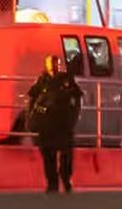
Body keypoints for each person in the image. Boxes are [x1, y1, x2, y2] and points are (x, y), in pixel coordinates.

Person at [26, 54, 82, 193]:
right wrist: (31, 119)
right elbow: (32, 100)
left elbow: (77, 97)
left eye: (56, 63)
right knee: (48, 155)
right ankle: (52, 183)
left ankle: (66, 180)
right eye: (51, 63)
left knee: (66, 155)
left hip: (63, 122)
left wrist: (73, 116)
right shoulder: (42, 81)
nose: (54, 66)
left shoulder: (66, 79)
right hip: (47, 124)